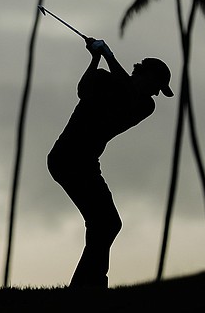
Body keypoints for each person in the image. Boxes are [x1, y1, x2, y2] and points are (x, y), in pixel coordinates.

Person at [47, 36, 173, 289]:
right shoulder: (107, 79)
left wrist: (108, 55)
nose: (156, 93)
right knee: (105, 223)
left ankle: (88, 285)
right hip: (68, 157)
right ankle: (90, 285)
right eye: (156, 85)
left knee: (106, 223)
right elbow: (83, 90)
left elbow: (127, 93)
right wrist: (96, 58)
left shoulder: (145, 105)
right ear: (144, 74)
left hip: (85, 161)